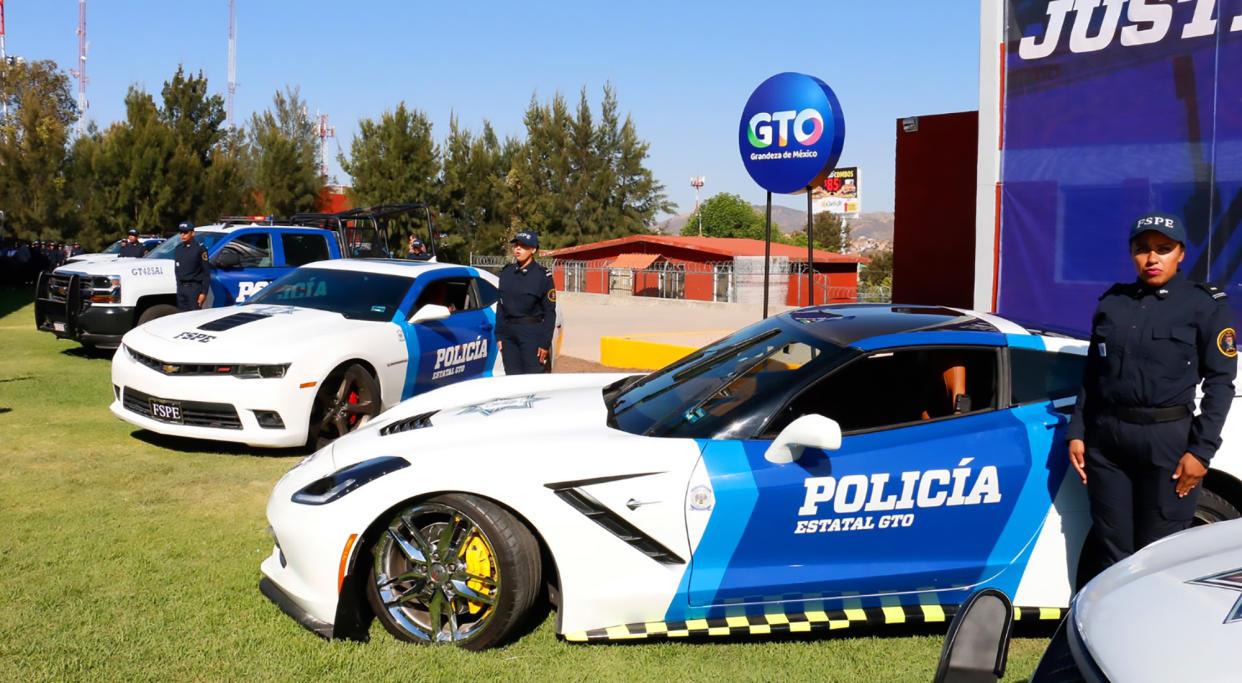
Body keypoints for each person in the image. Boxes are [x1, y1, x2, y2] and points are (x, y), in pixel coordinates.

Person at [1067, 211, 1237, 580]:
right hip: (1108, 441)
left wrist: (1201, 452)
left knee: (1159, 555)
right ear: (1132, 254)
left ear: (1180, 254)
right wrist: (1078, 430)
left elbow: (1221, 384)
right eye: (1142, 249)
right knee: (1113, 552)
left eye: (1163, 248)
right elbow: (1094, 374)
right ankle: (1114, 632)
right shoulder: (1113, 303)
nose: (1152, 257)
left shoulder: (1204, 305)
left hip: (1167, 442)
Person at [496, 230, 556, 374]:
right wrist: (499, 335)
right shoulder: (506, 273)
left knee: (532, 379)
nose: (518, 249)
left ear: (533, 250)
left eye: (523, 246)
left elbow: (549, 312)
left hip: (532, 333)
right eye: (517, 245)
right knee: (512, 378)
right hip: (509, 334)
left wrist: (545, 343)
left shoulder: (542, 276)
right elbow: (501, 306)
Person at [173, 221, 210, 312]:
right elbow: (177, 271)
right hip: (181, 289)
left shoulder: (200, 248)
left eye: (185, 232)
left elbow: (206, 272)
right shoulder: (178, 249)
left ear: (192, 233)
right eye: (181, 232)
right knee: (182, 317)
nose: (182, 235)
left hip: (194, 289)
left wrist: (203, 293)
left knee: (194, 317)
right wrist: (179, 288)